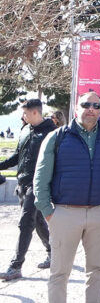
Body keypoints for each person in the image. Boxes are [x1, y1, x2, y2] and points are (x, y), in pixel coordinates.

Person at [33, 91, 100, 303]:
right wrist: (48, 212)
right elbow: (41, 177)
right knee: (59, 273)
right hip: (65, 213)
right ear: (76, 107)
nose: (91, 109)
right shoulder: (57, 137)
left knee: (96, 270)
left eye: (96, 105)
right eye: (86, 104)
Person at [0, 99, 53, 280]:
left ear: (35, 112)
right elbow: (17, 156)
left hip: (38, 185)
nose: (22, 116)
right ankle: (53, 252)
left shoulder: (51, 133)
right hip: (22, 184)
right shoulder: (25, 130)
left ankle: (15, 266)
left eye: (25, 113)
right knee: (36, 221)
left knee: (25, 223)